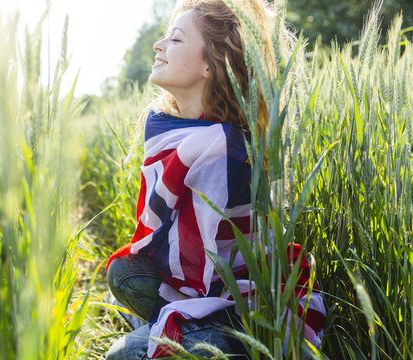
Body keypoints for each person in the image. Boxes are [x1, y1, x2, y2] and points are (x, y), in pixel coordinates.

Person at [105, 0, 326, 359]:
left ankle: (223, 344)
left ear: (209, 64)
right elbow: (164, 243)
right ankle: (191, 332)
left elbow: (196, 265)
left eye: (175, 40)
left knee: (122, 356)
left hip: (250, 308)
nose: (159, 46)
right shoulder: (180, 131)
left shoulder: (220, 147)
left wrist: (178, 316)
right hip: (212, 285)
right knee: (122, 272)